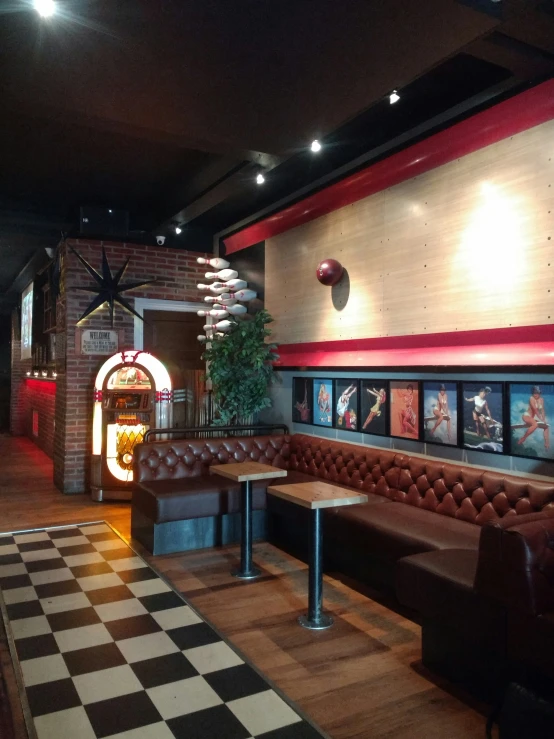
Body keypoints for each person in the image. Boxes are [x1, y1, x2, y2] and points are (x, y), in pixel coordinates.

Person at [517, 385, 549, 450]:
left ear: (540, 392)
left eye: (537, 392)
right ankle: (523, 438)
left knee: (546, 426)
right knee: (535, 424)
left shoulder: (541, 400)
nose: (535, 394)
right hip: (526, 416)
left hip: (532, 418)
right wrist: (541, 419)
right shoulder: (531, 398)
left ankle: (546, 443)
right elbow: (535, 410)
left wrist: (544, 419)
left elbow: (542, 410)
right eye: (534, 392)